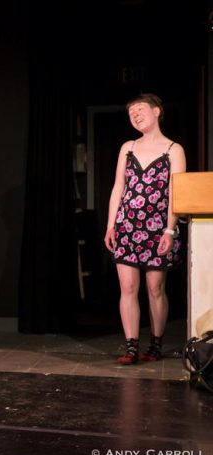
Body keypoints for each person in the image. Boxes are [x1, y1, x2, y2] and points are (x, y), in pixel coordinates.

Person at [104, 93, 186, 365]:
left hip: (157, 227)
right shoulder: (127, 147)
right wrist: (111, 224)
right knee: (127, 286)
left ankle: (155, 344)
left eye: (140, 109)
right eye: (131, 113)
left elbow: (177, 192)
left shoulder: (173, 149)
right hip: (127, 225)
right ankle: (131, 347)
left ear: (157, 111)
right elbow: (119, 187)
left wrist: (170, 230)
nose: (135, 115)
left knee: (155, 287)